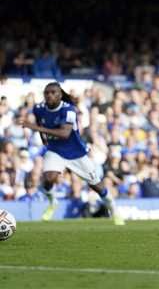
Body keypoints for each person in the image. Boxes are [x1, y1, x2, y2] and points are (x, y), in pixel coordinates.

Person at [20, 82, 125, 225]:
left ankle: (113, 208)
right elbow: (41, 122)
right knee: (48, 179)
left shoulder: (68, 110)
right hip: (55, 151)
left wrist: (36, 128)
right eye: (47, 93)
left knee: (97, 186)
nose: (49, 95)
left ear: (60, 95)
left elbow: (64, 133)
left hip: (76, 153)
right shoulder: (38, 109)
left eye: (53, 92)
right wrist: (43, 138)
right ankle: (52, 203)